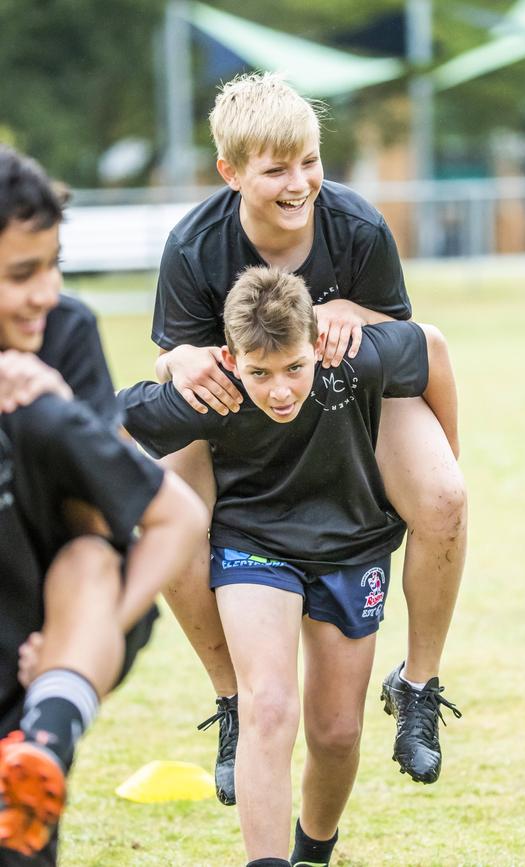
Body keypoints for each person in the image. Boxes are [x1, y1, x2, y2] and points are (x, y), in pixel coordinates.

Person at [151, 72, 467, 802]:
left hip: (352, 395)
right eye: (276, 169)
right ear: (230, 172)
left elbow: (406, 344)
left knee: (447, 497)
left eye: (310, 161)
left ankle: (417, 684)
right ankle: (233, 698)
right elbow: (175, 360)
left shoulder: (356, 226)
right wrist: (179, 358)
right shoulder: (194, 248)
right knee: (164, 513)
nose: (300, 184)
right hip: (242, 416)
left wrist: (357, 312)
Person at [120, 265, 462, 867]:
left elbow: (432, 348)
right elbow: (107, 420)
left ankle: (314, 852)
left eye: (294, 369)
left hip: (352, 545)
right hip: (254, 545)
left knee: (336, 734)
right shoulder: (214, 389)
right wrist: (171, 366)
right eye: (259, 373)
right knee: (269, 706)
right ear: (231, 358)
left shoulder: (357, 359)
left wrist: (447, 455)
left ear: (317, 346)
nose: (279, 390)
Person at [0, 145, 208, 863]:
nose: (47, 292)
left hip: (45, 628)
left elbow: (106, 518)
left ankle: (50, 730)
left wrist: (77, 647)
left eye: (54, 264)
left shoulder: (65, 336)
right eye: (22, 274)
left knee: (91, 549)